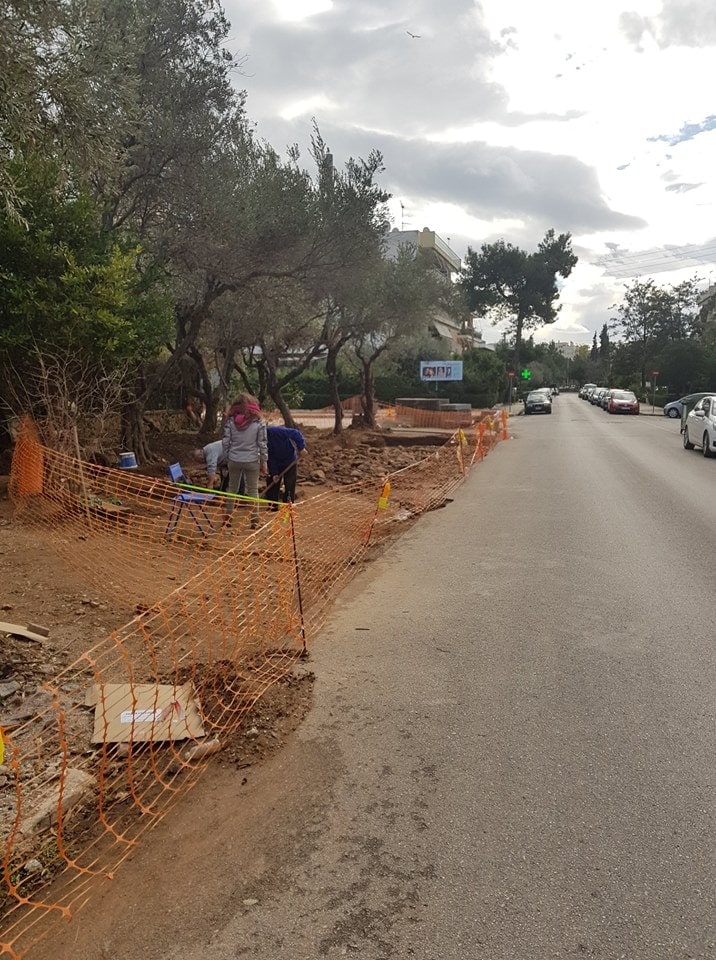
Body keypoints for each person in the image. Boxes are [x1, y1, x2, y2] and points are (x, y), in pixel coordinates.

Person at [221, 394, 268, 528]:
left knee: (232, 489)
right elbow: (262, 443)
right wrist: (264, 461)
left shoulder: (230, 422)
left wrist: (226, 459)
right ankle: (255, 520)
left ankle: (228, 519)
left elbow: (225, 442)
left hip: (234, 459)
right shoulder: (259, 423)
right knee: (253, 490)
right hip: (252, 460)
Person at [265, 425, 307, 508]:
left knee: (289, 483)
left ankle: (288, 505)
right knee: (272, 482)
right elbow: (270, 458)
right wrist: (274, 473)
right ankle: (273, 506)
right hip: (276, 463)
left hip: (290, 460)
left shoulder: (276, 431)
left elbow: (295, 433)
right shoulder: (261, 442)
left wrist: (301, 448)